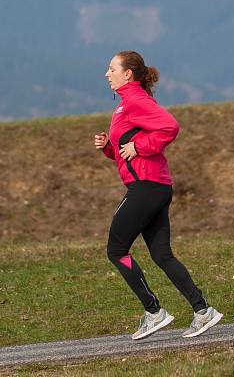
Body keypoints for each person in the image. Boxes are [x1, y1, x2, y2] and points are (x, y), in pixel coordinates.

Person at [94, 50, 223, 340]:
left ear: (128, 74)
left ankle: (154, 312)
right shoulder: (128, 103)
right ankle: (203, 311)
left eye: (111, 68)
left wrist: (141, 148)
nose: (107, 73)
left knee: (116, 250)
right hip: (155, 185)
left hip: (146, 188)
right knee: (162, 254)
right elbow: (124, 151)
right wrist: (107, 147)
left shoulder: (136, 101)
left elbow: (170, 127)